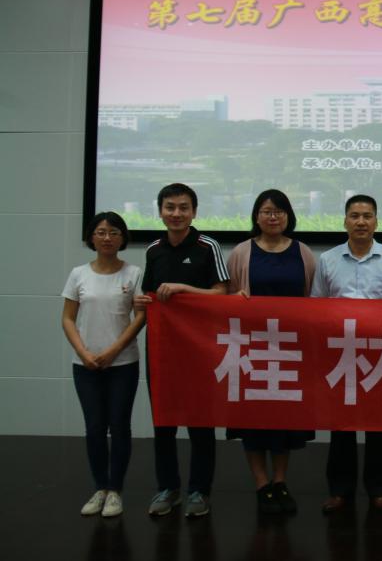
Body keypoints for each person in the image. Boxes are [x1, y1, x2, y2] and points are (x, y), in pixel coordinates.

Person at [313, 194, 382, 514]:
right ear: (345, 221)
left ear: (376, 221)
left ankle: (380, 490)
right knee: (341, 425)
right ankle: (340, 490)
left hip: (381, 352)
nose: (361, 222)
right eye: (355, 216)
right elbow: (317, 307)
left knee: (379, 424)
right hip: (341, 352)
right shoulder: (327, 260)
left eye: (367, 216)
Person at [135, 183, 229, 518]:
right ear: (160, 211)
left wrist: (184, 289)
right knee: (163, 421)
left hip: (199, 348)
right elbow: (149, 296)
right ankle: (168, 488)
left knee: (200, 422)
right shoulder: (153, 249)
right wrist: (140, 301)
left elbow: (222, 293)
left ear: (194, 212)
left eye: (183, 207)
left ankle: (200, 491)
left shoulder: (208, 246)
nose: (176, 213)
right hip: (162, 349)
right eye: (170, 207)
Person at [226, 189, 316, 515]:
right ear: (256, 216)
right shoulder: (241, 252)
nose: (273, 217)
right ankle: (261, 483)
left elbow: (312, 297)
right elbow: (229, 296)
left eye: (279, 211)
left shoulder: (303, 252)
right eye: (266, 211)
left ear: (288, 216)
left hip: (289, 347)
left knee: (283, 418)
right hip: (251, 347)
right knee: (253, 419)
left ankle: (280, 480)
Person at [61, 212, 145, 518]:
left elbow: (140, 317)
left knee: (119, 425)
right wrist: (83, 352)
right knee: (94, 427)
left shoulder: (134, 273)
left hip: (123, 363)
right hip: (85, 365)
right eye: (100, 232)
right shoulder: (78, 274)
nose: (107, 238)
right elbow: (67, 318)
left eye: (113, 232)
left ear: (122, 238)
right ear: (91, 237)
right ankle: (100, 488)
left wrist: (113, 351)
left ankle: (116, 491)